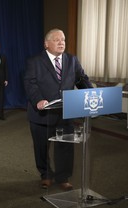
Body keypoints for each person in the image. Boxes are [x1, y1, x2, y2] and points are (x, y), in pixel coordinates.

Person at [24, 29, 93, 191]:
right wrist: (38, 100)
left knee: (65, 147)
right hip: (42, 113)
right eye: (57, 40)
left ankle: (63, 177)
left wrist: (92, 93)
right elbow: (30, 83)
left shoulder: (72, 60)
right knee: (41, 147)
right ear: (46, 44)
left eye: (63, 39)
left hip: (65, 112)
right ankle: (46, 175)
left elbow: (81, 79)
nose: (62, 42)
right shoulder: (34, 61)